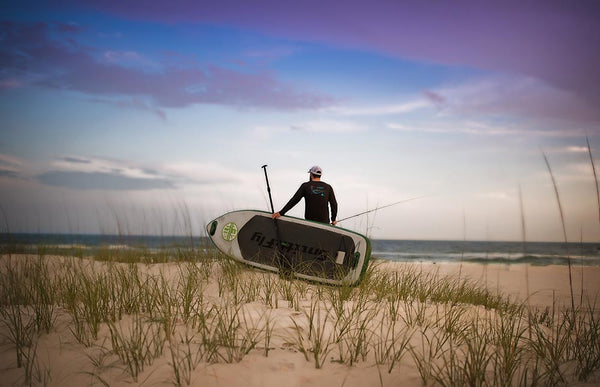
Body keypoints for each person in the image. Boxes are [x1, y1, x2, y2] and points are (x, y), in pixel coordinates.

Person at [272, 166, 338, 225]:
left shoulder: (305, 186)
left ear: (311, 174)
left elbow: (294, 200)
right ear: (320, 175)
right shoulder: (328, 187)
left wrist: (281, 213)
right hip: (324, 223)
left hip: (309, 222)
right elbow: (334, 204)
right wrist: (333, 219)